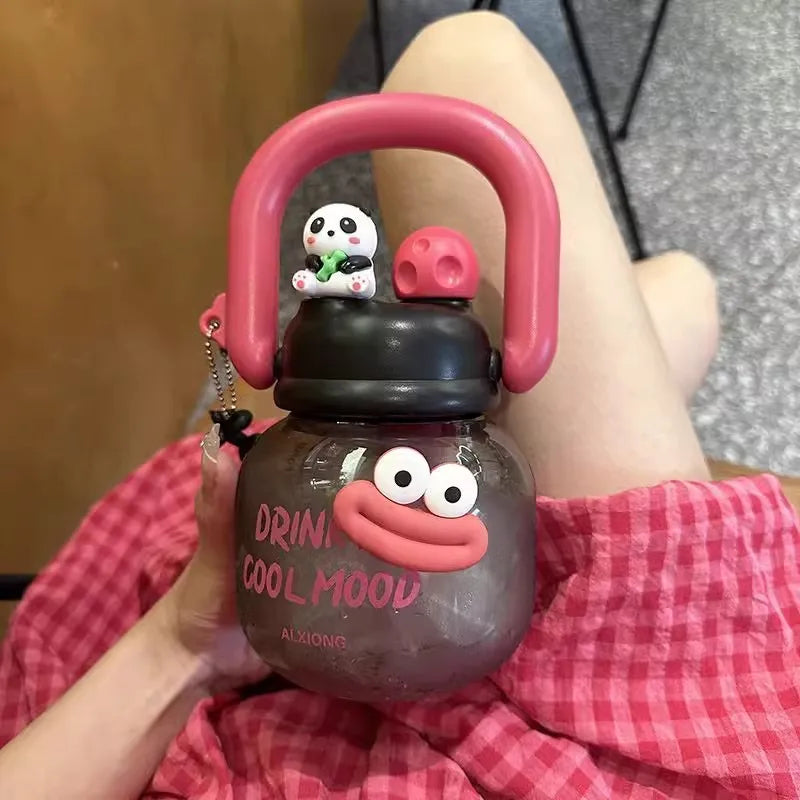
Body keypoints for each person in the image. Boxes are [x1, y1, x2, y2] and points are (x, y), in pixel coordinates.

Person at [1, 11, 798, 799]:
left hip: (220, 687)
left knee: (676, 291)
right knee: (476, 70)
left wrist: (184, 644)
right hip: (607, 717)